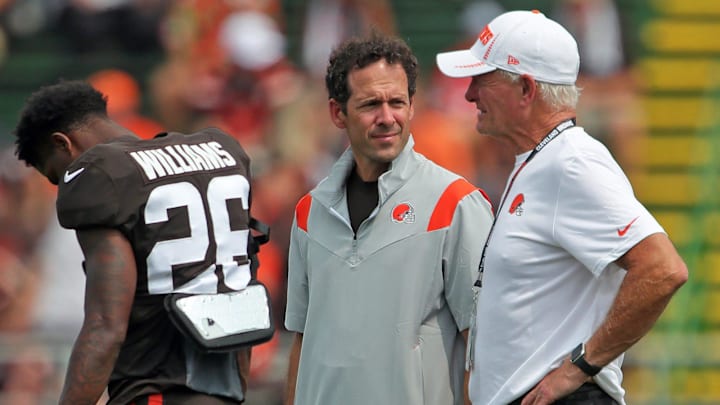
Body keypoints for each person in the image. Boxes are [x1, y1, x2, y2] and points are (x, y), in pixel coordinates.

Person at [435, 10, 688, 405]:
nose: (469, 94)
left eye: (483, 80)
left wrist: (579, 368)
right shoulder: (546, 159)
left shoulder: (571, 161)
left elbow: (663, 269)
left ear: (526, 89)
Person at [13, 80, 264, 404]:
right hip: (223, 390)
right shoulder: (221, 150)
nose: (61, 184)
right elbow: (242, 290)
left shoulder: (99, 177)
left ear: (63, 144)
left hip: (154, 390)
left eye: (55, 174)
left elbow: (105, 326)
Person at [284, 32, 494, 405]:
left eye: (397, 102)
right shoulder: (308, 212)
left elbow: (484, 348)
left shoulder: (457, 203)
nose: (387, 118)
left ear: (413, 106)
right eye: (370, 105)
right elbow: (303, 340)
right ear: (337, 113)